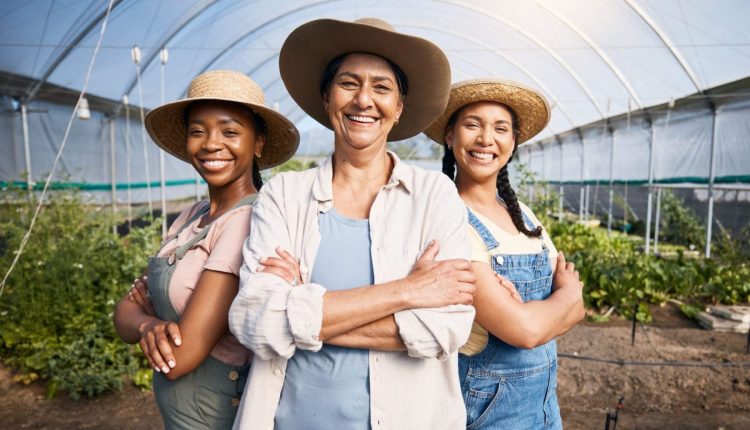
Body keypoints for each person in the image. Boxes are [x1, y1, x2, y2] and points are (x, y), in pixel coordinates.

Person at [228, 18, 476, 430]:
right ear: (327, 98)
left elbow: (447, 327)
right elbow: (255, 322)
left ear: (398, 108)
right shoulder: (285, 195)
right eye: (348, 83)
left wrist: (300, 312)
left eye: (382, 87)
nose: (364, 99)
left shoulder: (435, 195)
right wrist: (408, 291)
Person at [113, 70, 299, 430]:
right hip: (180, 413)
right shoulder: (192, 215)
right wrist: (148, 325)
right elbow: (123, 314)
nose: (211, 144)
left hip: (214, 415)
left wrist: (142, 319)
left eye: (230, 132)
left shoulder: (246, 221)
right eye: (198, 131)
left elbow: (181, 356)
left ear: (258, 143)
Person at [425, 78, 585, 429]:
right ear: (450, 137)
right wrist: (563, 298)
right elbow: (525, 331)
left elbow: (577, 310)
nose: (486, 139)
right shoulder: (450, 220)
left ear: (513, 142)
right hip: (489, 410)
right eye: (472, 125)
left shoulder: (522, 213)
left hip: (545, 404)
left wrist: (536, 312)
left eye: (500, 128)